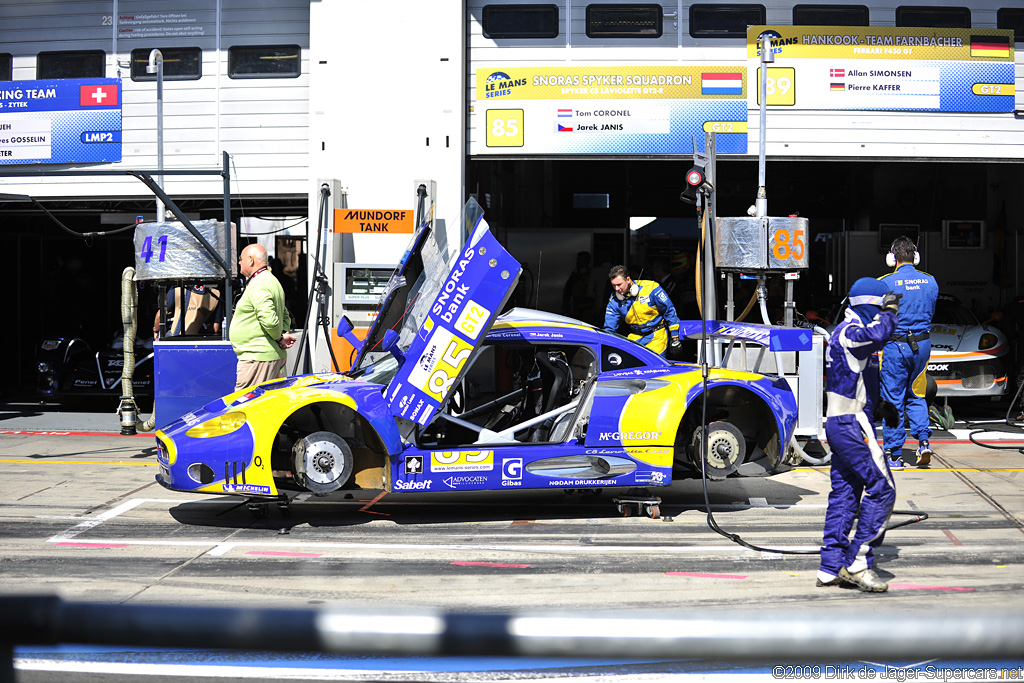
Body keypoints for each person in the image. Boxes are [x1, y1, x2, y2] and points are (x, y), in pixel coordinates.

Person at [818, 277, 901, 593]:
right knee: (883, 489)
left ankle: (830, 566)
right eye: (879, 308)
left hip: (843, 421)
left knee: (845, 493)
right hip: (852, 425)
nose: (884, 314)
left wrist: (880, 406)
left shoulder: (844, 333)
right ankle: (858, 561)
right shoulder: (852, 333)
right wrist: (890, 311)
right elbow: (880, 334)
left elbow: (852, 377)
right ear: (871, 306)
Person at [878, 237, 939, 469]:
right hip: (922, 346)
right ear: (916, 256)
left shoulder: (886, 283)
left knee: (893, 398)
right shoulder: (930, 282)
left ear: (892, 258)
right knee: (917, 394)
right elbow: (929, 312)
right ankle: (923, 442)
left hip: (896, 347)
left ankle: (894, 455)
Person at [229, 244, 298, 390]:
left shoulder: (259, 284)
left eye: (241, 259)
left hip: (258, 360)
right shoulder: (271, 280)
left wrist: (279, 338)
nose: (239, 262)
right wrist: (282, 335)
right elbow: (285, 315)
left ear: (251, 260)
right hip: (268, 357)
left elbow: (270, 321)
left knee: (246, 406)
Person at [603, 265, 680, 356]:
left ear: (628, 280)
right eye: (613, 285)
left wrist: (675, 337)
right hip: (635, 338)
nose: (616, 289)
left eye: (619, 285)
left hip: (657, 337)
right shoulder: (614, 300)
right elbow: (609, 328)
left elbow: (669, 311)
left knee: (655, 368)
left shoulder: (651, 288)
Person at [153, 284, 223, 339]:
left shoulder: (177, 288)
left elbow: (161, 314)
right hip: (199, 338)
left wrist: (156, 331)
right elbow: (215, 328)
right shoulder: (216, 294)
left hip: (175, 336)